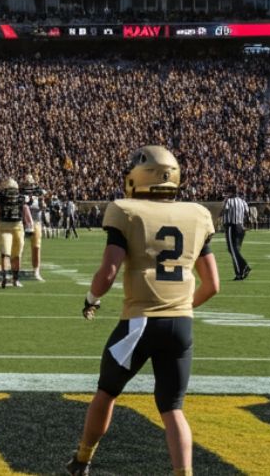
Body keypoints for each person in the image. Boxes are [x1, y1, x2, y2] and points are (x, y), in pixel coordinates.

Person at [68, 145, 219, 476]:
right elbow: (213, 284)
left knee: (106, 392)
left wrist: (92, 299)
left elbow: (108, 273)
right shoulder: (197, 214)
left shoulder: (126, 210)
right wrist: (180, 307)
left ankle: (82, 459)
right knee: (173, 408)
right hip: (181, 325)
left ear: (139, 177)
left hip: (139, 324)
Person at [0, 178, 33, 288]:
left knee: (9, 254)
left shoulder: (2, 200)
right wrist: (29, 226)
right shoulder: (17, 199)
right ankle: (12, 278)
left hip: (9, 226)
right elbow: (26, 211)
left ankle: (8, 276)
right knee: (13, 254)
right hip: (14, 227)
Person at [221, 186, 251, 280]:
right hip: (240, 227)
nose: (227, 194)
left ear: (231, 192)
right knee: (235, 250)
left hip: (231, 226)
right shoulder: (242, 201)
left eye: (228, 192)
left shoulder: (229, 201)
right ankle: (239, 273)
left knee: (232, 250)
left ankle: (244, 266)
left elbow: (224, 210)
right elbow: (247, 213)